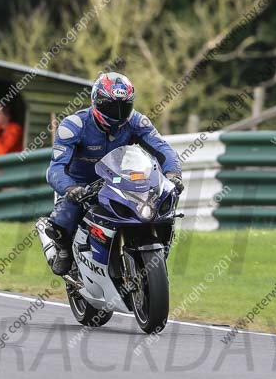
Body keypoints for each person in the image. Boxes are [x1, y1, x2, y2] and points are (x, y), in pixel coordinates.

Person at [45, 72, 184, 276]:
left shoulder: (137, 121)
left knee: (162, 199)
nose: (118, 113)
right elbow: (55, 168)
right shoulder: (73, 125)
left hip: (118, 180)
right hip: (80, 184)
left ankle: (159, 245)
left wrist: (173, 174)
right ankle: (64, 248)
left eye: (124, 106)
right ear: (96, 102)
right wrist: (70, 188)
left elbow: (163, 149)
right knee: (66, 216)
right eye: (110, 106)